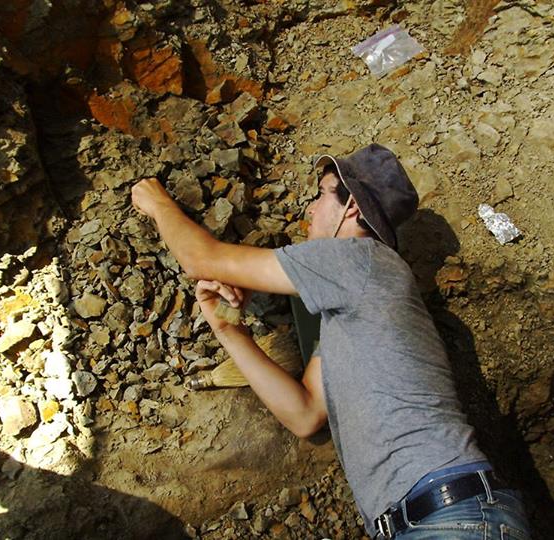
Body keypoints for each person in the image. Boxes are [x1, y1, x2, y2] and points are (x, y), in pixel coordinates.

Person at [131, 143, 531, 539]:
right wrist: (228, 330)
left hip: (449, 518)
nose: (310, 209)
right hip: (444, 517)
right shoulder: (355, 306)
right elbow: (305, 414)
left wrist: (159, 204)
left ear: (351, 207)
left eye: (321, 195)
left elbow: (203, 259)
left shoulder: (361, 259)